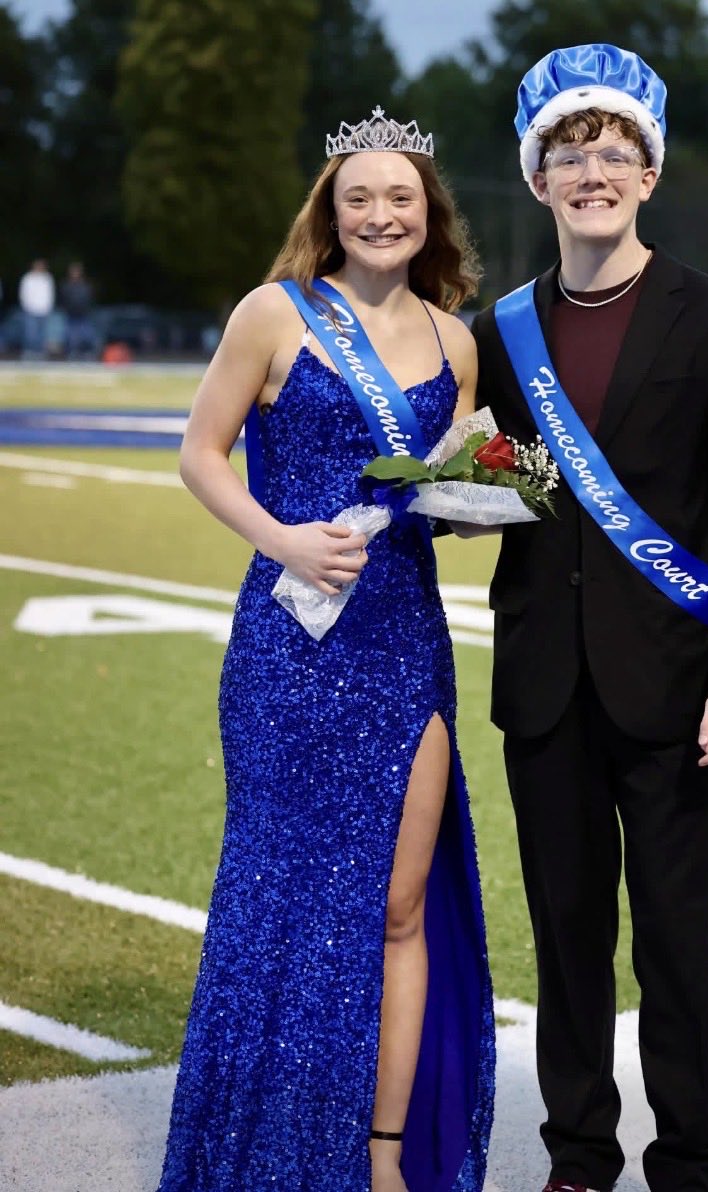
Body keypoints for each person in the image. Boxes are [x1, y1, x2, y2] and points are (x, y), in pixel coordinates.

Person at [471, 44, 708, 1192]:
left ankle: (690, 1162)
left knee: (672, 942)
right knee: (565, 940)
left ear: (647, 175)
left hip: (673, 688)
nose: (592, 173)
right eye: (569, 154)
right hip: (543, 687)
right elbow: (485, 482)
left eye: (614, 155)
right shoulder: (493, 330)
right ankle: (577, 1157)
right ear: (537, 179)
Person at [156, 106, 494, 1192]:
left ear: (426, 213)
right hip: (288, 646)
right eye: (361, 198)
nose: (382, 214)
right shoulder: (275, 313)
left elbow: (439, 496)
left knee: (398, 905)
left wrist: (484, 505)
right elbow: (200, 453)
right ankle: (253, 1150)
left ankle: (380, 1156)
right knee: (273, 893)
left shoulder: (454, 340)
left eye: (401, 197)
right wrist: (280, 536)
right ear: (332, 214)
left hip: (405, 645)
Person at [18, 259, 55, 360]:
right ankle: (29, 351)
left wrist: (48, 307)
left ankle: (40, 352)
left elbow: (50, 294)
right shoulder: (28, 278)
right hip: (31, 309)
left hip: (44, 309)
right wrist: (27, 306)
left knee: (42, 333)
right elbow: (23, 293)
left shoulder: (47, 278)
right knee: (30, 332)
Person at [60, 261, 97, 360]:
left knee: (87, 335)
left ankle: (87, 352)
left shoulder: (86, 285)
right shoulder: (66, 285)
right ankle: (71, 353)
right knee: (70, 336)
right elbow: (63, 299)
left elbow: (90, 298)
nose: (75, 274)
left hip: (83, 314)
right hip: (71, 314)